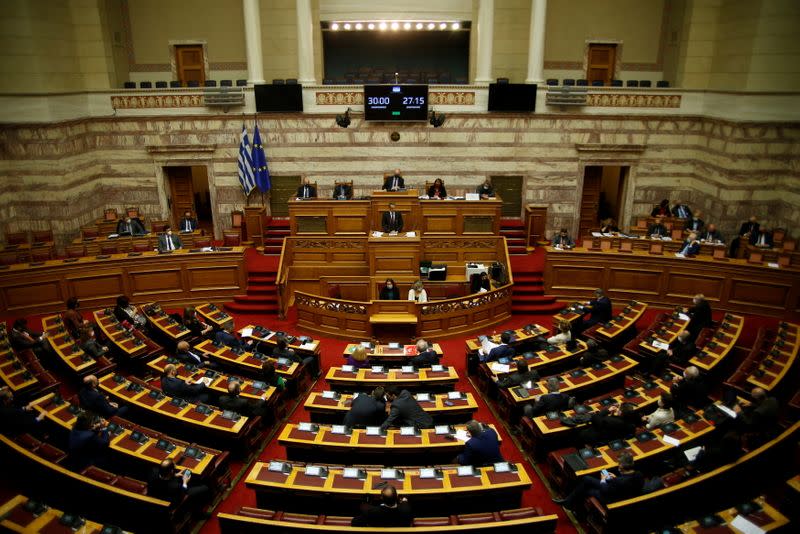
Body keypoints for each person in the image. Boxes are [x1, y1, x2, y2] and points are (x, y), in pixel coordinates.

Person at [553, 451, 644, 509]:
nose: (618, 465)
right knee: (587, 479)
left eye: (619, 463)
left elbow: (605, 490)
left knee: (587, 489)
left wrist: (603, 480)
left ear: (622, 466)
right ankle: (568, 501)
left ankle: (573, 506)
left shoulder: (619, 481)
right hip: (621, 493)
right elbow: (625, 483)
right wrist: (615, 478)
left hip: (612, 499)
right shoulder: (639, 474)